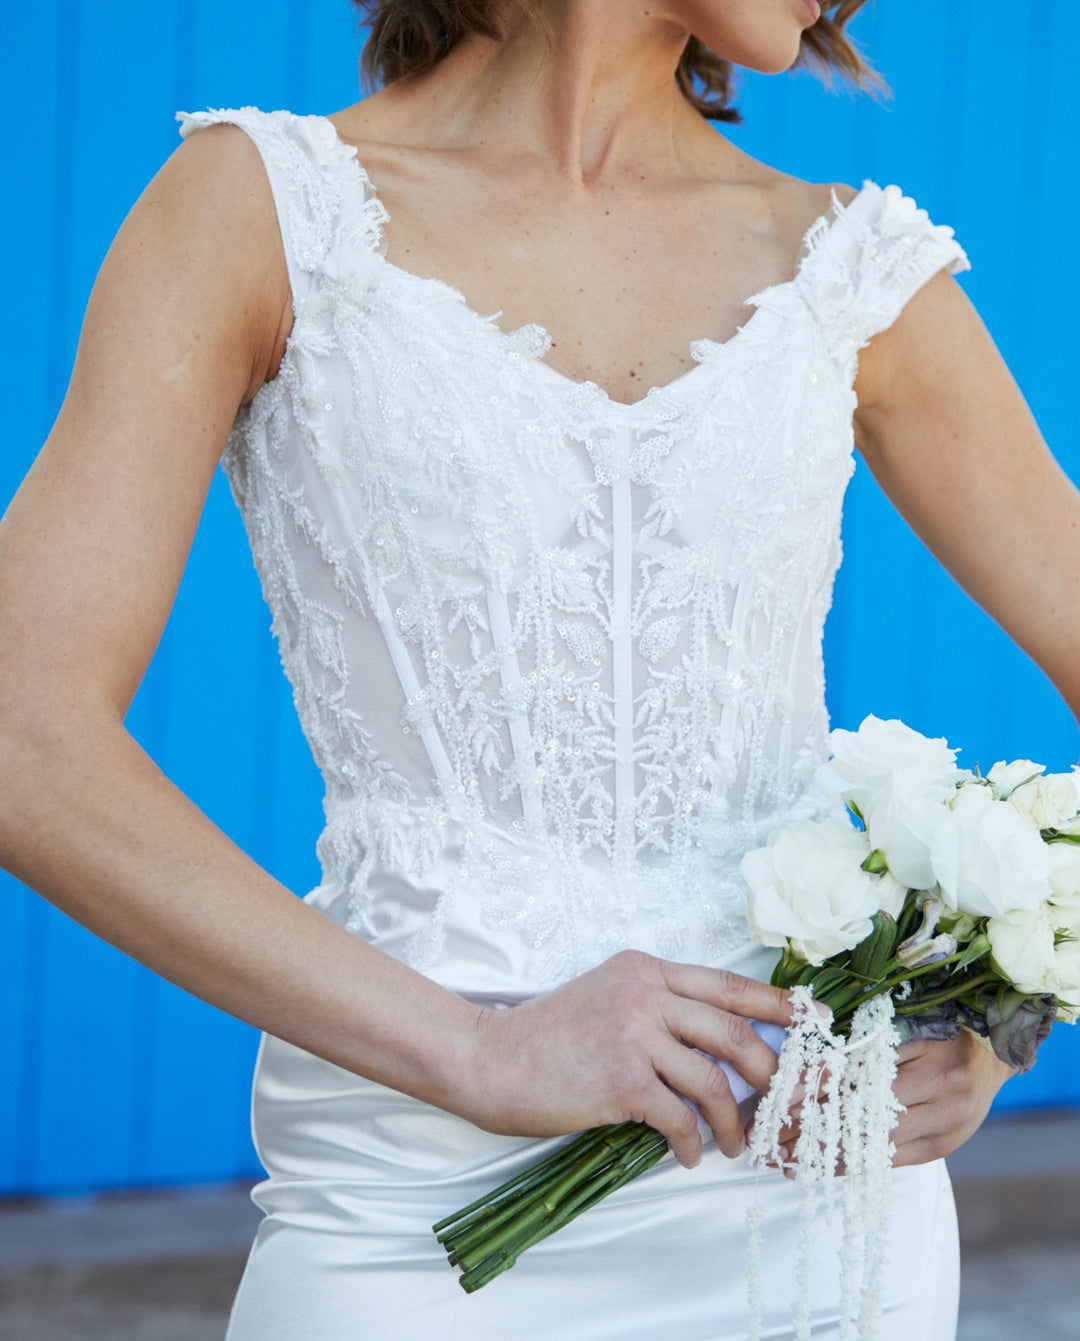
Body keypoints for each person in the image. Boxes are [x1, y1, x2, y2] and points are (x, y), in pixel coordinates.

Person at [2, 0, 1073, 1336]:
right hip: (415, 1210)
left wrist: (994, 1006)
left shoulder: (853, 264)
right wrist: (477, 1048)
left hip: (814, 1217)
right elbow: (22, 737)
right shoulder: (263, 209)